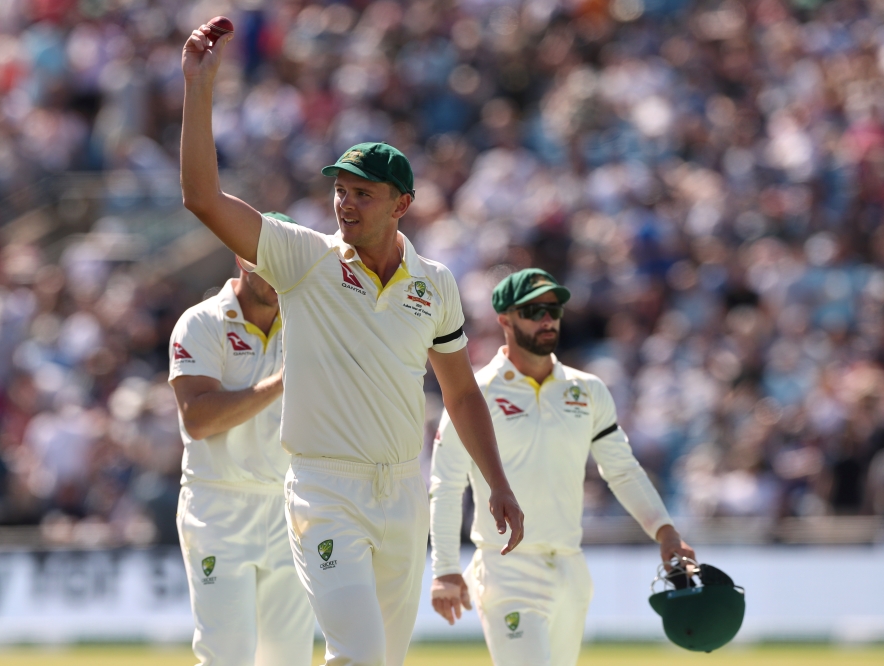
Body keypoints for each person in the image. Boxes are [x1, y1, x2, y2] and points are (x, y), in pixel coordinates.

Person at [180, 25, 524, 666]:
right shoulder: (303, 258)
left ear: (403, 205)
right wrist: (199, 89)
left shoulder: (435, 285)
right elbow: (202, 198)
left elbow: (461, 392)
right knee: (357, 656)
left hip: (401, 493)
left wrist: (495, 483)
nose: (345, 203)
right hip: (323, 489)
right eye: (339, 189)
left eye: (363, 193)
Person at [429, 268, 696, 666]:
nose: (547, 319)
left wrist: (665, 529)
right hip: (506, 570)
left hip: (570, 567)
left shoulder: (587, 390)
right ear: (504, 319)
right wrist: (446, 569)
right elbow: (445, 484)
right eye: (534, 310)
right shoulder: (475, 394)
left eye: (554, 309)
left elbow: (622, 469)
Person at [169, 214, 315, 666]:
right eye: (264, 262)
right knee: (226, 656)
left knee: (287, 659)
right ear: (241, 257)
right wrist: (282, 382)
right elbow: (197, 419)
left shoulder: (305, 323)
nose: (274, 275)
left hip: (288, 505)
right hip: (218, 506)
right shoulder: (202, 323)